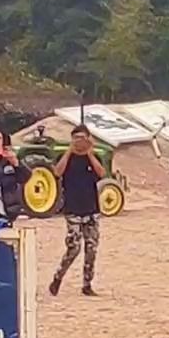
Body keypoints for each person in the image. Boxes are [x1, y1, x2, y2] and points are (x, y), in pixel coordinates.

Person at [49, 125, 105, 296]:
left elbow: (102, 174)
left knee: (91, 248)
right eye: (76, 137)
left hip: (91, 209)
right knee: (73, 248)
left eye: (82, 137)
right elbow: (57, 173)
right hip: (73, 208)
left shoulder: (94, 157)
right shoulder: (65, 157)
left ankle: (87, 284)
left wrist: (89, 153)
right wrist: (69, 151)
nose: (79, 141)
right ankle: (58, 277)